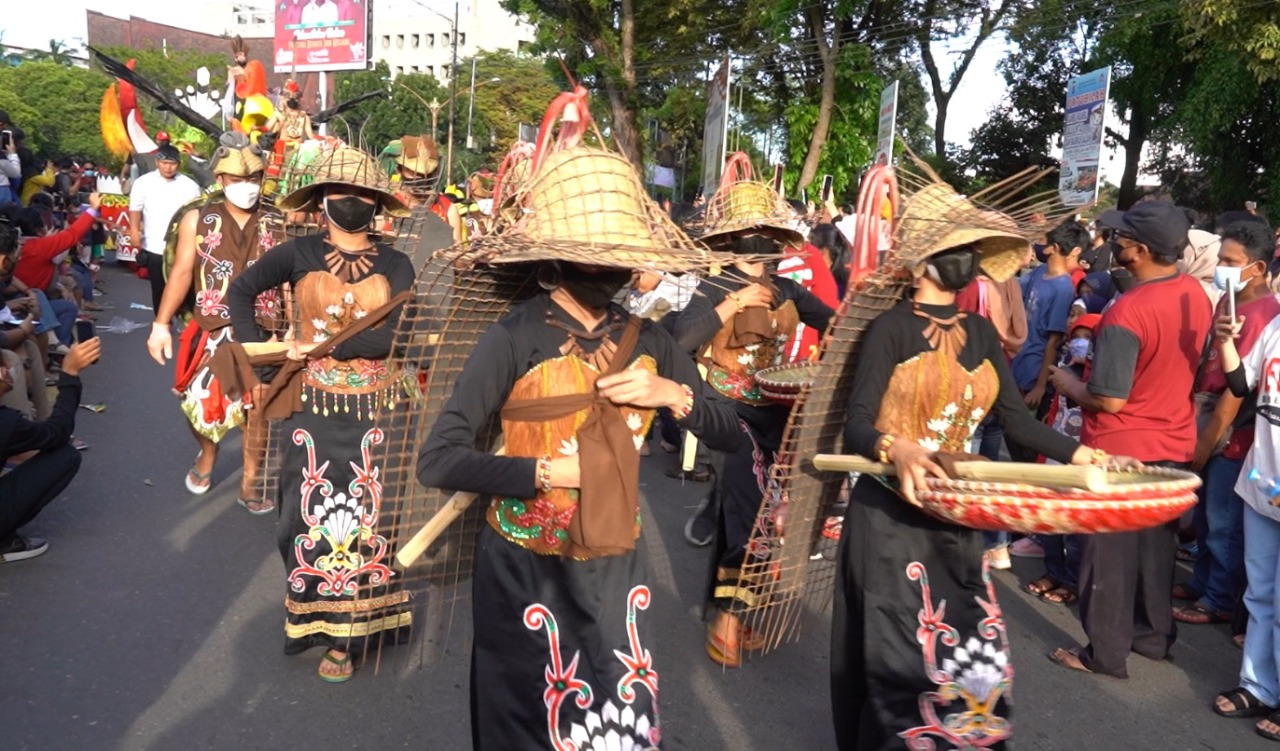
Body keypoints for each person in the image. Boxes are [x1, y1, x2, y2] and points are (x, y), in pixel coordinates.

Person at [417, 113, 741, 748]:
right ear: (554, 262)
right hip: (520, 566)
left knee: (611, 723)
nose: (611, 272)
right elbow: (440, 459)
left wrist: (675, 395)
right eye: (595, 259)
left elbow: (729, 433)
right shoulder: (512, 337)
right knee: (522, 719)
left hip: (614, 563)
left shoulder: (650, 341)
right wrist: (545, 472)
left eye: (617, 260)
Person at [835, 183, 1130, 750]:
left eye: (971, 248)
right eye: (955, 248)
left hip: (958, 520)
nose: (966, 260)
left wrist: (1085, 453)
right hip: (889, 521)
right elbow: (858, 425)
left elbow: (1016, 422)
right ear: (921, 259)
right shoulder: (888, 329)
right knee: (896, 666)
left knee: (972, 656)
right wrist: (896, 448)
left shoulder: (980, 333)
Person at [228, 145, 414, 683]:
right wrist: (262, 355)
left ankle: (348, 635)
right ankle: (313, 615)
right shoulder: (297, 254)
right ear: (321, 201)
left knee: (368, 520)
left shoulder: (397, 263)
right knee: (301, 517)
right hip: (313, 407)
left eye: (362, 195)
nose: (350, 202)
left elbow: (395, 335)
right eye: (340, 194)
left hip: (376, 413)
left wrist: (329, 341)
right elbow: (241, 292)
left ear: (377, 204)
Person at [673, 161, 834, 668]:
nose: (759, 245)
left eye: (766, 236)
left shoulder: (786, 289)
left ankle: (737, 616)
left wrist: (841, 335)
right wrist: (735, 301)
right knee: (748, 511)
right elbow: (680, 339)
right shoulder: (712, 287)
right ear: (733, 239)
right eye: (749, 235)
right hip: (728, 411)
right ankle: (726, 619)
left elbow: (833, 319)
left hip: (776, 411)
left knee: (760, 511)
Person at [1046, 200, 1213, 677]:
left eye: (1120, 239)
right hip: (1173, 443)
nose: (1113, 244)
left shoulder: (1128, 312)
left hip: (1121, 449)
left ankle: (1104, 653)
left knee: (1106, 559)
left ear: (1139, 250)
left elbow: (1110, 399)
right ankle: (1153, 636)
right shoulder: (1193, 294)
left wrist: (1068, 383)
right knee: (1153, 553)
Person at [146, 145, 283, 510]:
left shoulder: (280, 219)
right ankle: (208, 452)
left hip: (265, 328)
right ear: (221, 180)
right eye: (238, 179)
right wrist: (160, 324)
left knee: (258, 409)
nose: (247, 186)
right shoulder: (198, 219)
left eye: (254, 178)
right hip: (212, 327)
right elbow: (181, 272)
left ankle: (250, 484)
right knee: (196, 402)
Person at [1176, 221, 1280, 626]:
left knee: (1223, 522)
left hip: (1235, 429)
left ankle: (1219, 598)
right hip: (1208, 415)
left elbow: (1239, 389)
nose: (1220, 267)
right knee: (1204, 516)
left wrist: (1208, 442)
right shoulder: (1229, 301)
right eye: (1220, 259)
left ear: (1256, 267)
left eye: (1229, 261)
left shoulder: (1267, 316)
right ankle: (1202, 582)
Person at [1213, 245, 1280, 739]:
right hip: (1263, 478)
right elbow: (1242, 380)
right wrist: (1226, 343)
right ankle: (1258, 685)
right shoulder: (1276, 328)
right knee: (1260, 593)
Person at [0, 336, 99, 563]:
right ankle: (4, 541)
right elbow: (59, 432)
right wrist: (70, 374)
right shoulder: (6, 423)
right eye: (7, 366)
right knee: (65, 456)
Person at [1008, 219, 1089, 461]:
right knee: (1010, 432)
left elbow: (1053, 342)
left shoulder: (1062, 289)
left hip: (1034, 370)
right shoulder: (1038, 273)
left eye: (1043, 241)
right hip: (1018, 361)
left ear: (1053, 248)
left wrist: (1041, 385)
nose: (1038, 245)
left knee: (1024, 440)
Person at [129, 145, 202, 311]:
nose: (168, 167)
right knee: (159, 288)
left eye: (172, 163)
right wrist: (134, 232)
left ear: (179, 165)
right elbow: (135, 209)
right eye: (164, 163)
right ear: (157, 162)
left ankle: (184, 319)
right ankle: (162, 323)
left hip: (182, 246)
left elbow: (197, 212)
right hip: (154, 245)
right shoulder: (143, 183)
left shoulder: (190, 185)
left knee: (186, 285)